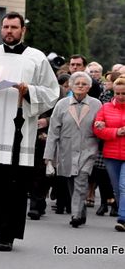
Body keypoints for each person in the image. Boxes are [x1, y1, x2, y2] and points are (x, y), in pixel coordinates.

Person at [0, 12, 59, 251]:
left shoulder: (36, 58)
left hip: (19, 131)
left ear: (22, 30)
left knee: (13, 188)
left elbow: (51, 91)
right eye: (5, 27)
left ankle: (8, 234)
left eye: (14, 27)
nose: (9, 31)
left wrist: (29, 91)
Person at [43, 71, 102, 228]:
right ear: (71, 86)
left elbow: (102, 124)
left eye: (84, 84)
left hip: (88, 148)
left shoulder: (96, 104)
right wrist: (48, 158)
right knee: (71, 180)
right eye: (77, 83)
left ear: (89, 87)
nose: (80, 86)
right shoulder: (62, 105)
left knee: (81, 179)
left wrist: (101, 126)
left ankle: (75, 215)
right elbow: (53, 132)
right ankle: (81, 210)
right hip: (66, 149)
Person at [93, 77, 125, 232]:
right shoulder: (105, 107)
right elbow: (97, 130)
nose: (120, 96)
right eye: (117, 93)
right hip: (111, 154)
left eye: (124, 93)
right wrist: (116, 132)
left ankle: (122, 218)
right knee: (117, 189)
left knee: (124, 186)